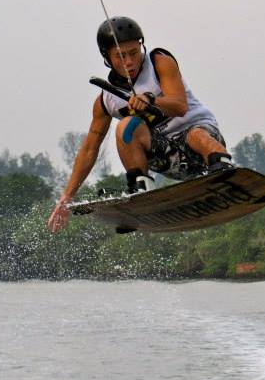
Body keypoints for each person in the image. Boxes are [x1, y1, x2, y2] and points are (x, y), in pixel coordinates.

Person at [47, 16, 232, 233]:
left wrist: (152, 100)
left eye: (134, 52)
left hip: (201, 139)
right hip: (167, 156)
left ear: (141, 46)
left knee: (195, 135)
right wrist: (66, 197)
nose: (129, 62)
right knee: (126, 126)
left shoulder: (159, 61)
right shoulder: (106, 101)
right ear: (107, 56)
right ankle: (141, 190)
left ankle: (224, 169)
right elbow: (89, 149)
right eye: (120, 56)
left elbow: (180, 106)